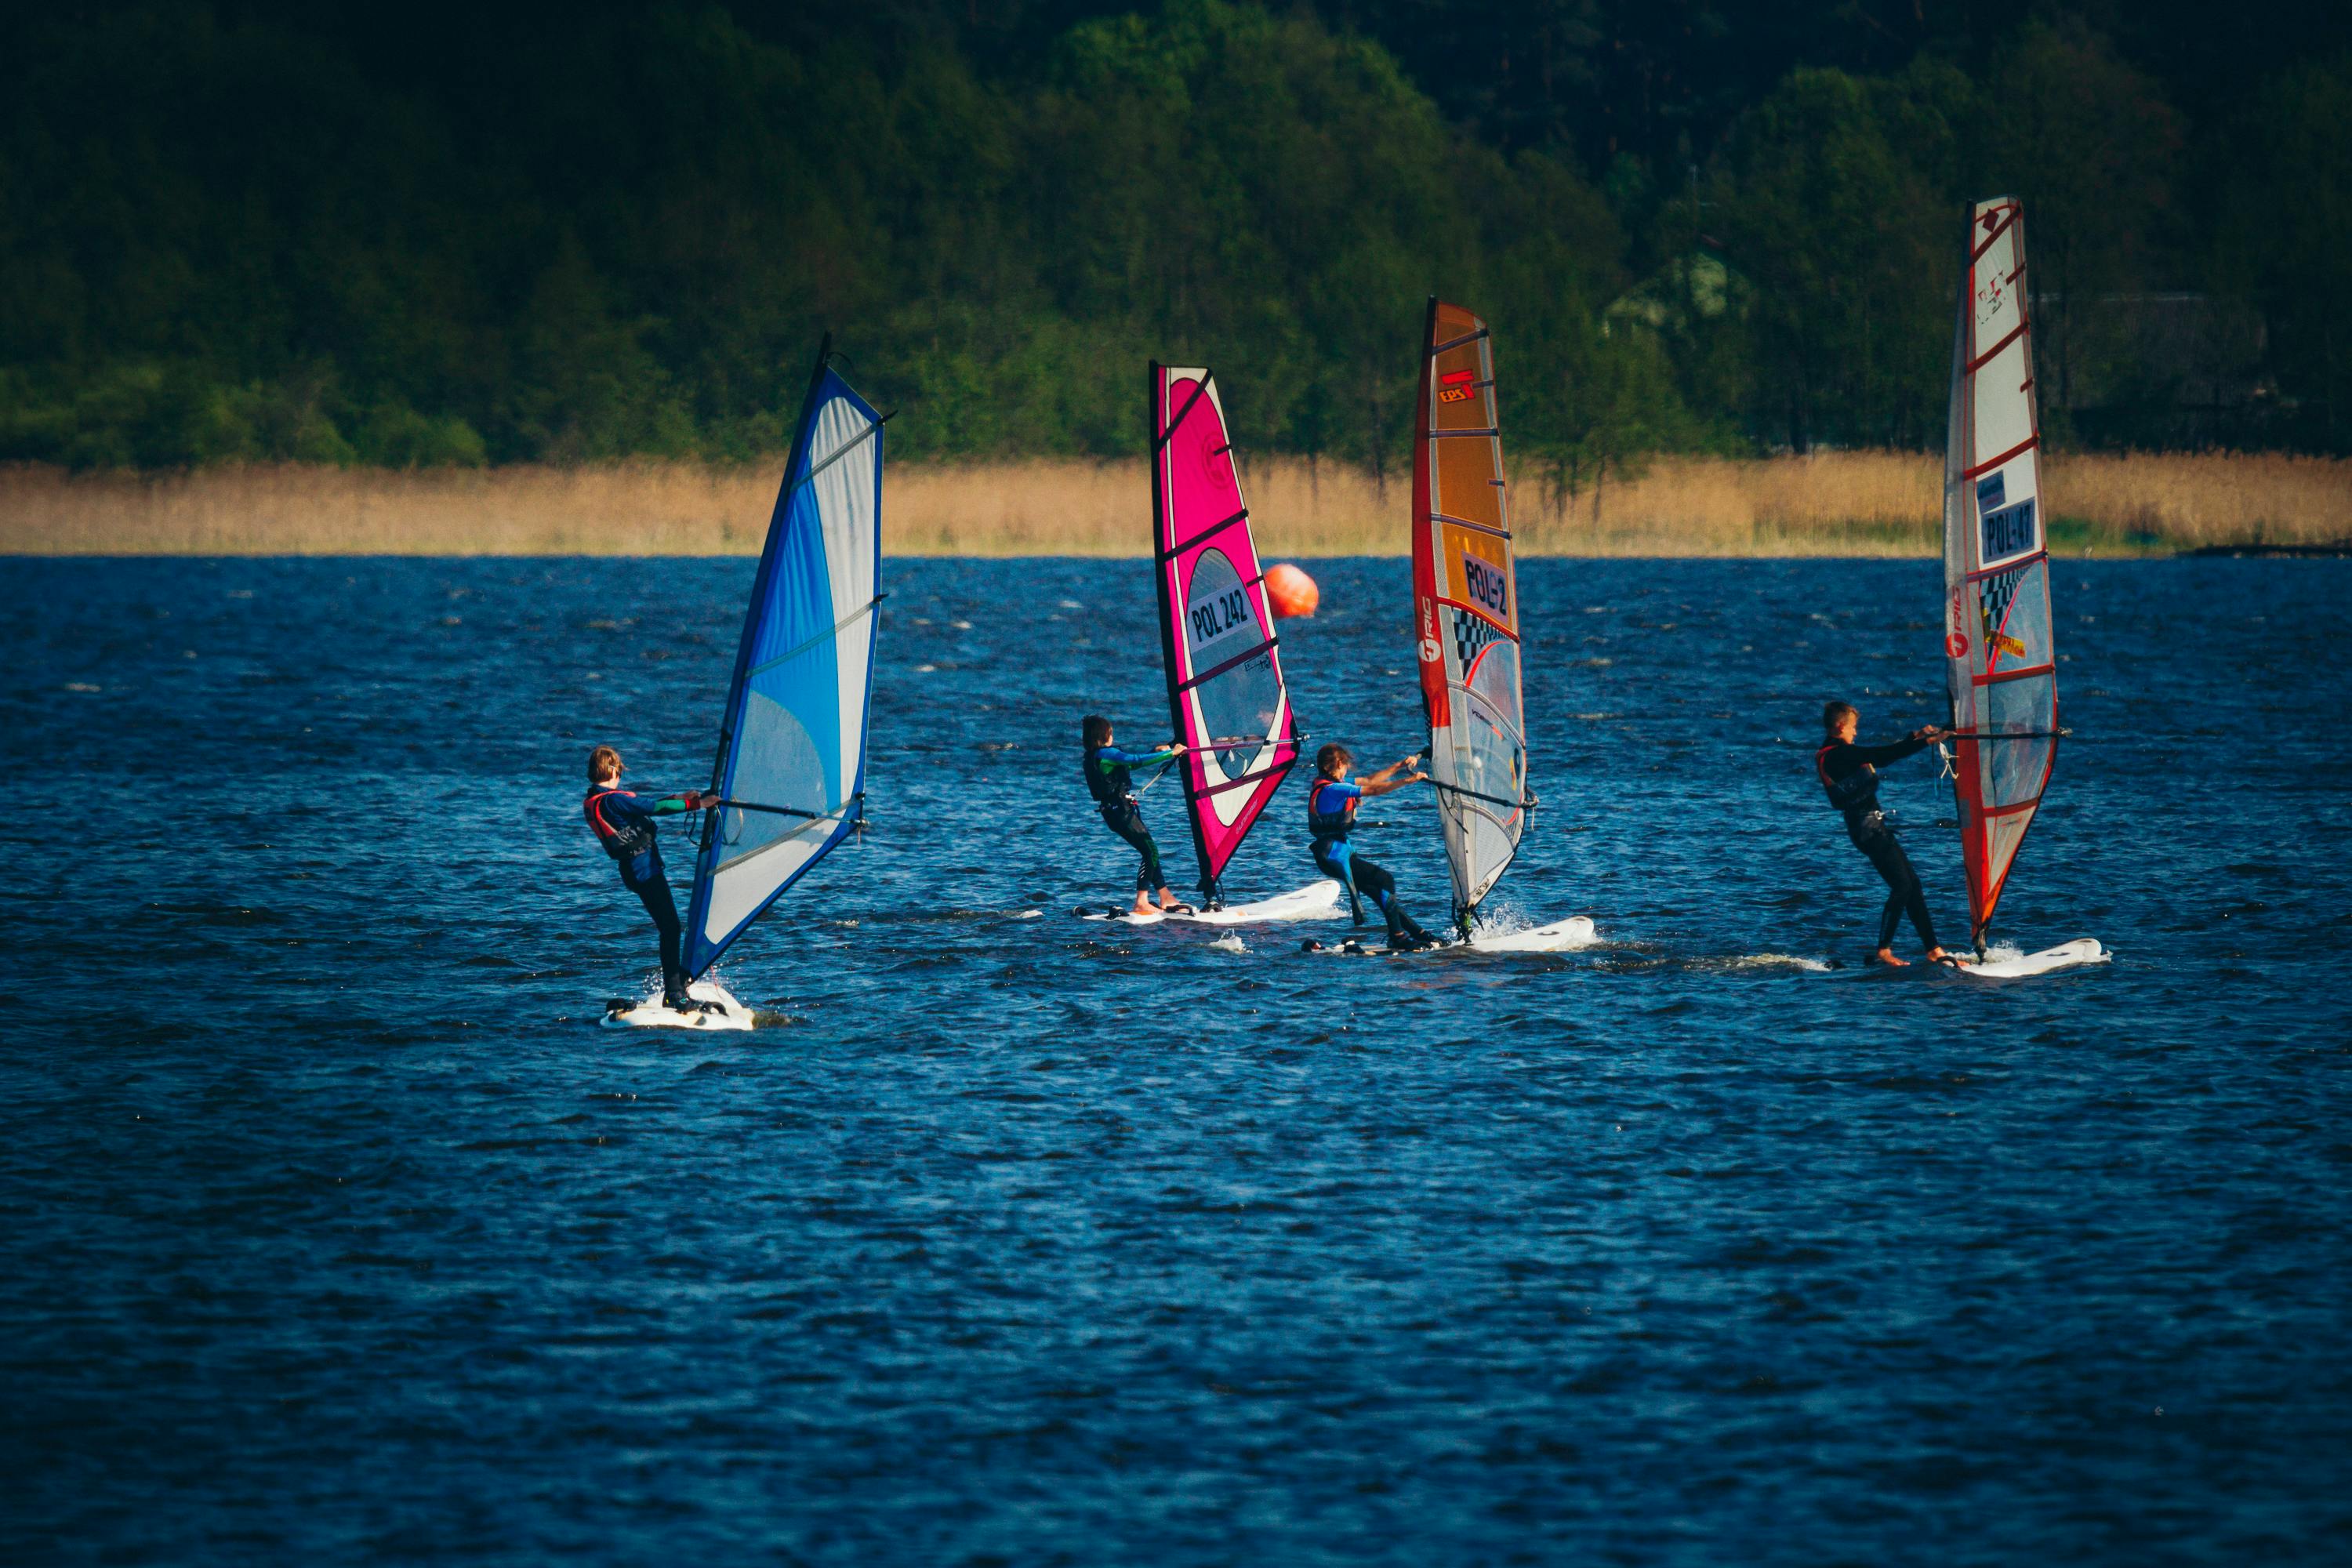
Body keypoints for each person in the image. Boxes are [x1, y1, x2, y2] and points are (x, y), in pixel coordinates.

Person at [1815, 702, 1953, 967]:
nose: (1855, 733)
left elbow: (1884, 753)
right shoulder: (1836, 755)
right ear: (1841, 726)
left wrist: (1914, 738)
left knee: (1912, 885)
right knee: (1902, 885)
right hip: (1868, 831)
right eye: (1853, 728)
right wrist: (1926, 742)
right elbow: (1882, 756)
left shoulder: (1838, 752)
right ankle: (1884, 950)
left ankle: (1933, 949)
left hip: (1872, 828)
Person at [583, 745, 713, 1010]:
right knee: (671, 928)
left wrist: (679, 796)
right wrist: (698, 804)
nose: (619, 777)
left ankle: (676, 987)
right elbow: (655, 807)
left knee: (670, 927)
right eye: (618, 771)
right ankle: (674, 994)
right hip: (645, 870)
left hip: (633, 870)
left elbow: (643, 806)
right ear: (612, 770)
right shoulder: (613, 799)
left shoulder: (598, 801)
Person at [1307, 742, 1439, 949]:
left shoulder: (1331, 784)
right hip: (1333, 854)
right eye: (1346, 765)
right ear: (1339, 763)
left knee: (1377, 890)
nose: (1347, 770)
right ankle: (1397, 936)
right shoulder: (1334, 789)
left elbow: (1370, 780)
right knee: (1385, 879)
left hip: (1336, 853)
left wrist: (1399, 765)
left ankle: (1418, 933)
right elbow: (1375, 789)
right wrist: (1409, 780)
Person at [1080, 716, 1190, 916]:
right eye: (1111, 732)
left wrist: (1154, 751)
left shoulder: (1098, 756)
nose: (1112, 735)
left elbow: (1131, 764)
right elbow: (1135, 760)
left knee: (1149, 849)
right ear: (1105, 735)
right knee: (1150, 851)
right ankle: (1141, 901)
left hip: (1114, 812)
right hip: (1120, 812)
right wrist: (1171, 753)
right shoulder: (1107, 753)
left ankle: (1165, 896)